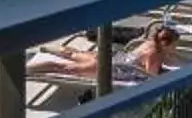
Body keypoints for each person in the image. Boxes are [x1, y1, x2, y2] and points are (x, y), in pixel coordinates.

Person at [38, 22, 177, 77]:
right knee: (63, 68)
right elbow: (149, 77)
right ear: (165, 43)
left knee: (73, 53)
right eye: (174, 44)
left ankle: (47, 48)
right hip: (110, 67)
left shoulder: (149, 43)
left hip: (112, 57)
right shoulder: (156, 54)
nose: (175, 47)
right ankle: (28, 70)